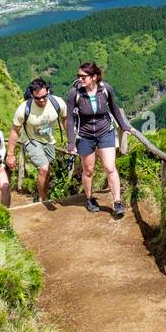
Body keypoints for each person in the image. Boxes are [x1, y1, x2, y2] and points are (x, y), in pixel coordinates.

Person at [66, 61, 135, 217]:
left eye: (84, 76)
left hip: (105, 132)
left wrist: (124, 126)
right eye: (79, 76)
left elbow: (114, 108)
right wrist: (71, 142)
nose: (80, 79)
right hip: (85, 135)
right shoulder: (74, 94)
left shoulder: (105, 89)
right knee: (88, 170)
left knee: (110, 167)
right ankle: (89, 199)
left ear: (94, 77)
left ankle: (117, 202)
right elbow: (70, 119)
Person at [7, 79, 66, 204]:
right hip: (31, 140)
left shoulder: (58, 103)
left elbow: (66, 120)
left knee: (46, 170)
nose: (42, 100)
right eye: (37, 98)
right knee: (44, 168)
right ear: (32, 95)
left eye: (44, 96)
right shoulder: (24, 109)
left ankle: (40, 194)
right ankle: (42, 200)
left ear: (48, 91)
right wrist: (10, 155)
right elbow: (14, 131)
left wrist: (72, 141)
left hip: (49, 141)